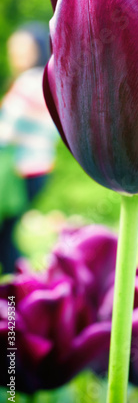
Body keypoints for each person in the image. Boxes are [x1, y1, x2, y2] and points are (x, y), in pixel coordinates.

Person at [0, 23, 58, 273]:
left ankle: (16, 296)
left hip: (18, 173)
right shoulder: (49, 80)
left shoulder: (28, 82)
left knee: (5, 238)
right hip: (40, 170)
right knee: (5, 236)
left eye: (23, 49)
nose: (16, 55)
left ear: (38, 50)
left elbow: (5, 133)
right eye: (14, 49)